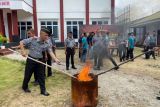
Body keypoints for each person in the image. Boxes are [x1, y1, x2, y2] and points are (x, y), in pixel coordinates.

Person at [20, 27, 60, 96]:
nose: (47, 37)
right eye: (46, 35)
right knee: (27, 75)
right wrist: (23, 51)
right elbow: (21, 42)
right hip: (31, 60)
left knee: (41, 76)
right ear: (41, 34)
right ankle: (24, 87)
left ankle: (43, 91)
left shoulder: (47, 42)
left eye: (48, 35)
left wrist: (55, 59)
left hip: (40, 61)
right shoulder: (33, 39)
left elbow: (50, 51)